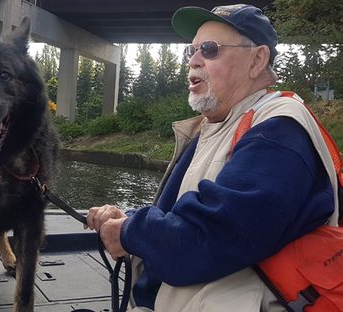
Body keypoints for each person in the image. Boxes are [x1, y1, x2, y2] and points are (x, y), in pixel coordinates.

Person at [85, 4, 339, 312]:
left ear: (257, 60)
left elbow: (206, 240)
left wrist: (129, 231)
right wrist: (127, 218)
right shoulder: (216, 126)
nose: (192, 61)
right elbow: (178, 215)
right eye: (191, 51)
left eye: (209, 49)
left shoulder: (277, 131)